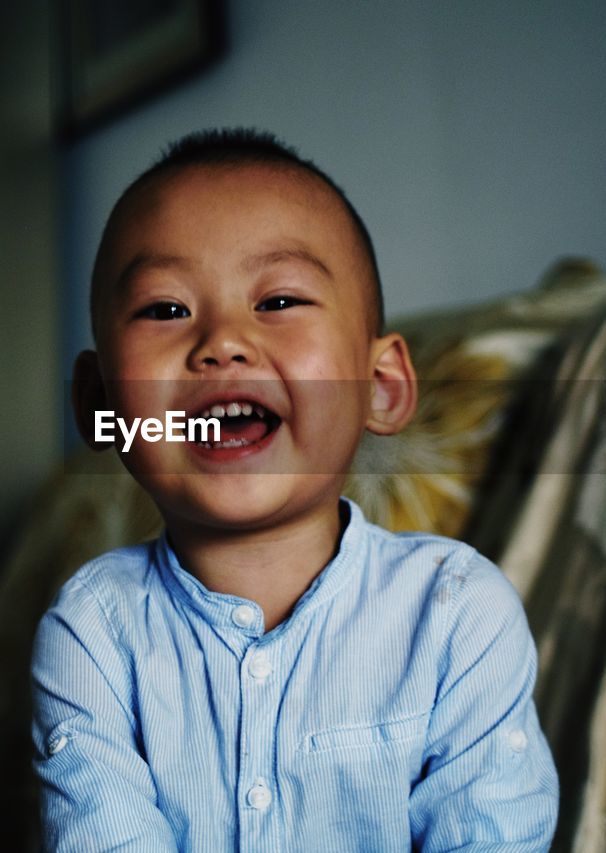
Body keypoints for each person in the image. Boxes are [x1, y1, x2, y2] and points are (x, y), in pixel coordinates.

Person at [31, 128, 558, 851]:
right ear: (99, 407)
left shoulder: (457, 615)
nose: (222, 341)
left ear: (380, 385)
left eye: (277, 299)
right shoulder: (91, 634)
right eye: (166, 308)